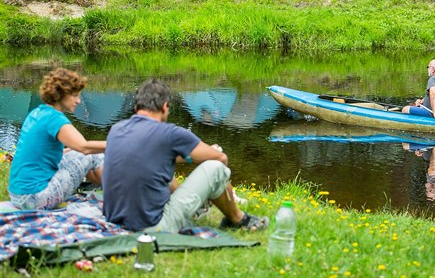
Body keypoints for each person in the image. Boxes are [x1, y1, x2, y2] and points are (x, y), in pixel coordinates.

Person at [102, 79, 268, 233]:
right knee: (215, 168)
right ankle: (238, 219)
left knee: (156, 166)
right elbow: (220, 158)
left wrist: (187, 157)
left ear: (136, 107)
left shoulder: (117, 129)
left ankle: (208, 207)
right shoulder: (169, 133)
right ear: (165, 107)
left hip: (116, 221)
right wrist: (207, 157)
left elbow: (151, 155)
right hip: (153, 227)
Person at [8, 68, 105, 210]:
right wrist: (118, 143)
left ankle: (110, 191)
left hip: (18, 196)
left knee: (81, 153)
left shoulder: (37, 113)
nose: (78, 101)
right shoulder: (55, 119)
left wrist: (73, 151)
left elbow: (48, 152)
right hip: (34, 199)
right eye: (75, 95)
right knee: (92, 155)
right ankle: (120, 197)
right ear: (61, 94)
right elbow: (84, 147)